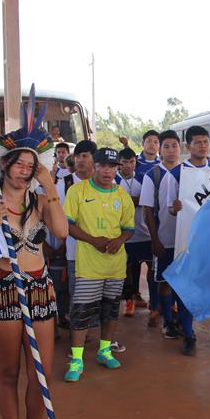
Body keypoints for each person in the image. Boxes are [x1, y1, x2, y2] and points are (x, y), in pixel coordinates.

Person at [0, 120, 68, 419]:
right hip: (1, 289)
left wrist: (50, 188)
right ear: (5, 163)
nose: (24, 170)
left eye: (31, 166)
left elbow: (61, 231)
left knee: (41, 372)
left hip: (39, 288)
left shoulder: (40, 200)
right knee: (7, 373)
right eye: (19, 163)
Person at [164, 125, 210, 356]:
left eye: (206, 141)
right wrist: (175, 208)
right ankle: (189, 334)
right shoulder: (176, 174)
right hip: (188, 240)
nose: (203, 145)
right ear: (188, 146)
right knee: (188, 287)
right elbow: (169, 210)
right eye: (197, 142)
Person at [63, 148, 135, 382]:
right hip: (88, 267)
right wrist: (93, 240)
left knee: (110, 310)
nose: (107, 171)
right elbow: (68, 225)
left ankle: (105, 351)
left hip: (115, 267)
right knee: (81, 313)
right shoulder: (77, 191)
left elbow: (129, 228)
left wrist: (119, 240)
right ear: (94, 166)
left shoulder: (122, 196)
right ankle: (76, 359)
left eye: (112, 167)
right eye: (103, 165)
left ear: (118, 169)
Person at [141, 131, 183, 339]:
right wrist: (154, 239)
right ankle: (168, 321)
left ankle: (182, 319)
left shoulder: (188, 173)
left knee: (182, 280)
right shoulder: (152, 175)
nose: (170, 150)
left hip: (184, 238)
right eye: (166, 146)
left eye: (174, 145)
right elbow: (147, 210)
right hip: (163, 238)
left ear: (180, 147)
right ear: (160, 149)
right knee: (165, 281)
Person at [54, 140, 96, 334]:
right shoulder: (65, 184)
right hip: (74, 251)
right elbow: (58, 217)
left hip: (100, 251)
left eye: (85, 156)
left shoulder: (105, 182)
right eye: (78, 156)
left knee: (98, 294)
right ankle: (77, 334)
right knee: (77, 294)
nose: (80, 160)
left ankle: (94, 331)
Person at [116, 147, 158, 324]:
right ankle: (130, 301)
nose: (127, 166)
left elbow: (151, 202)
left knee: (152, 269)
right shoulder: (114, 180)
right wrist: (138, 200)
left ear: (136, 162)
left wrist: (133, 200)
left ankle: (155, 304)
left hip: (146, 233)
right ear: (119, 163)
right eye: (124, 162)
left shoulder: (143, 178)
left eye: (131, 162)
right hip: (124, 235)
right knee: (129, 271)